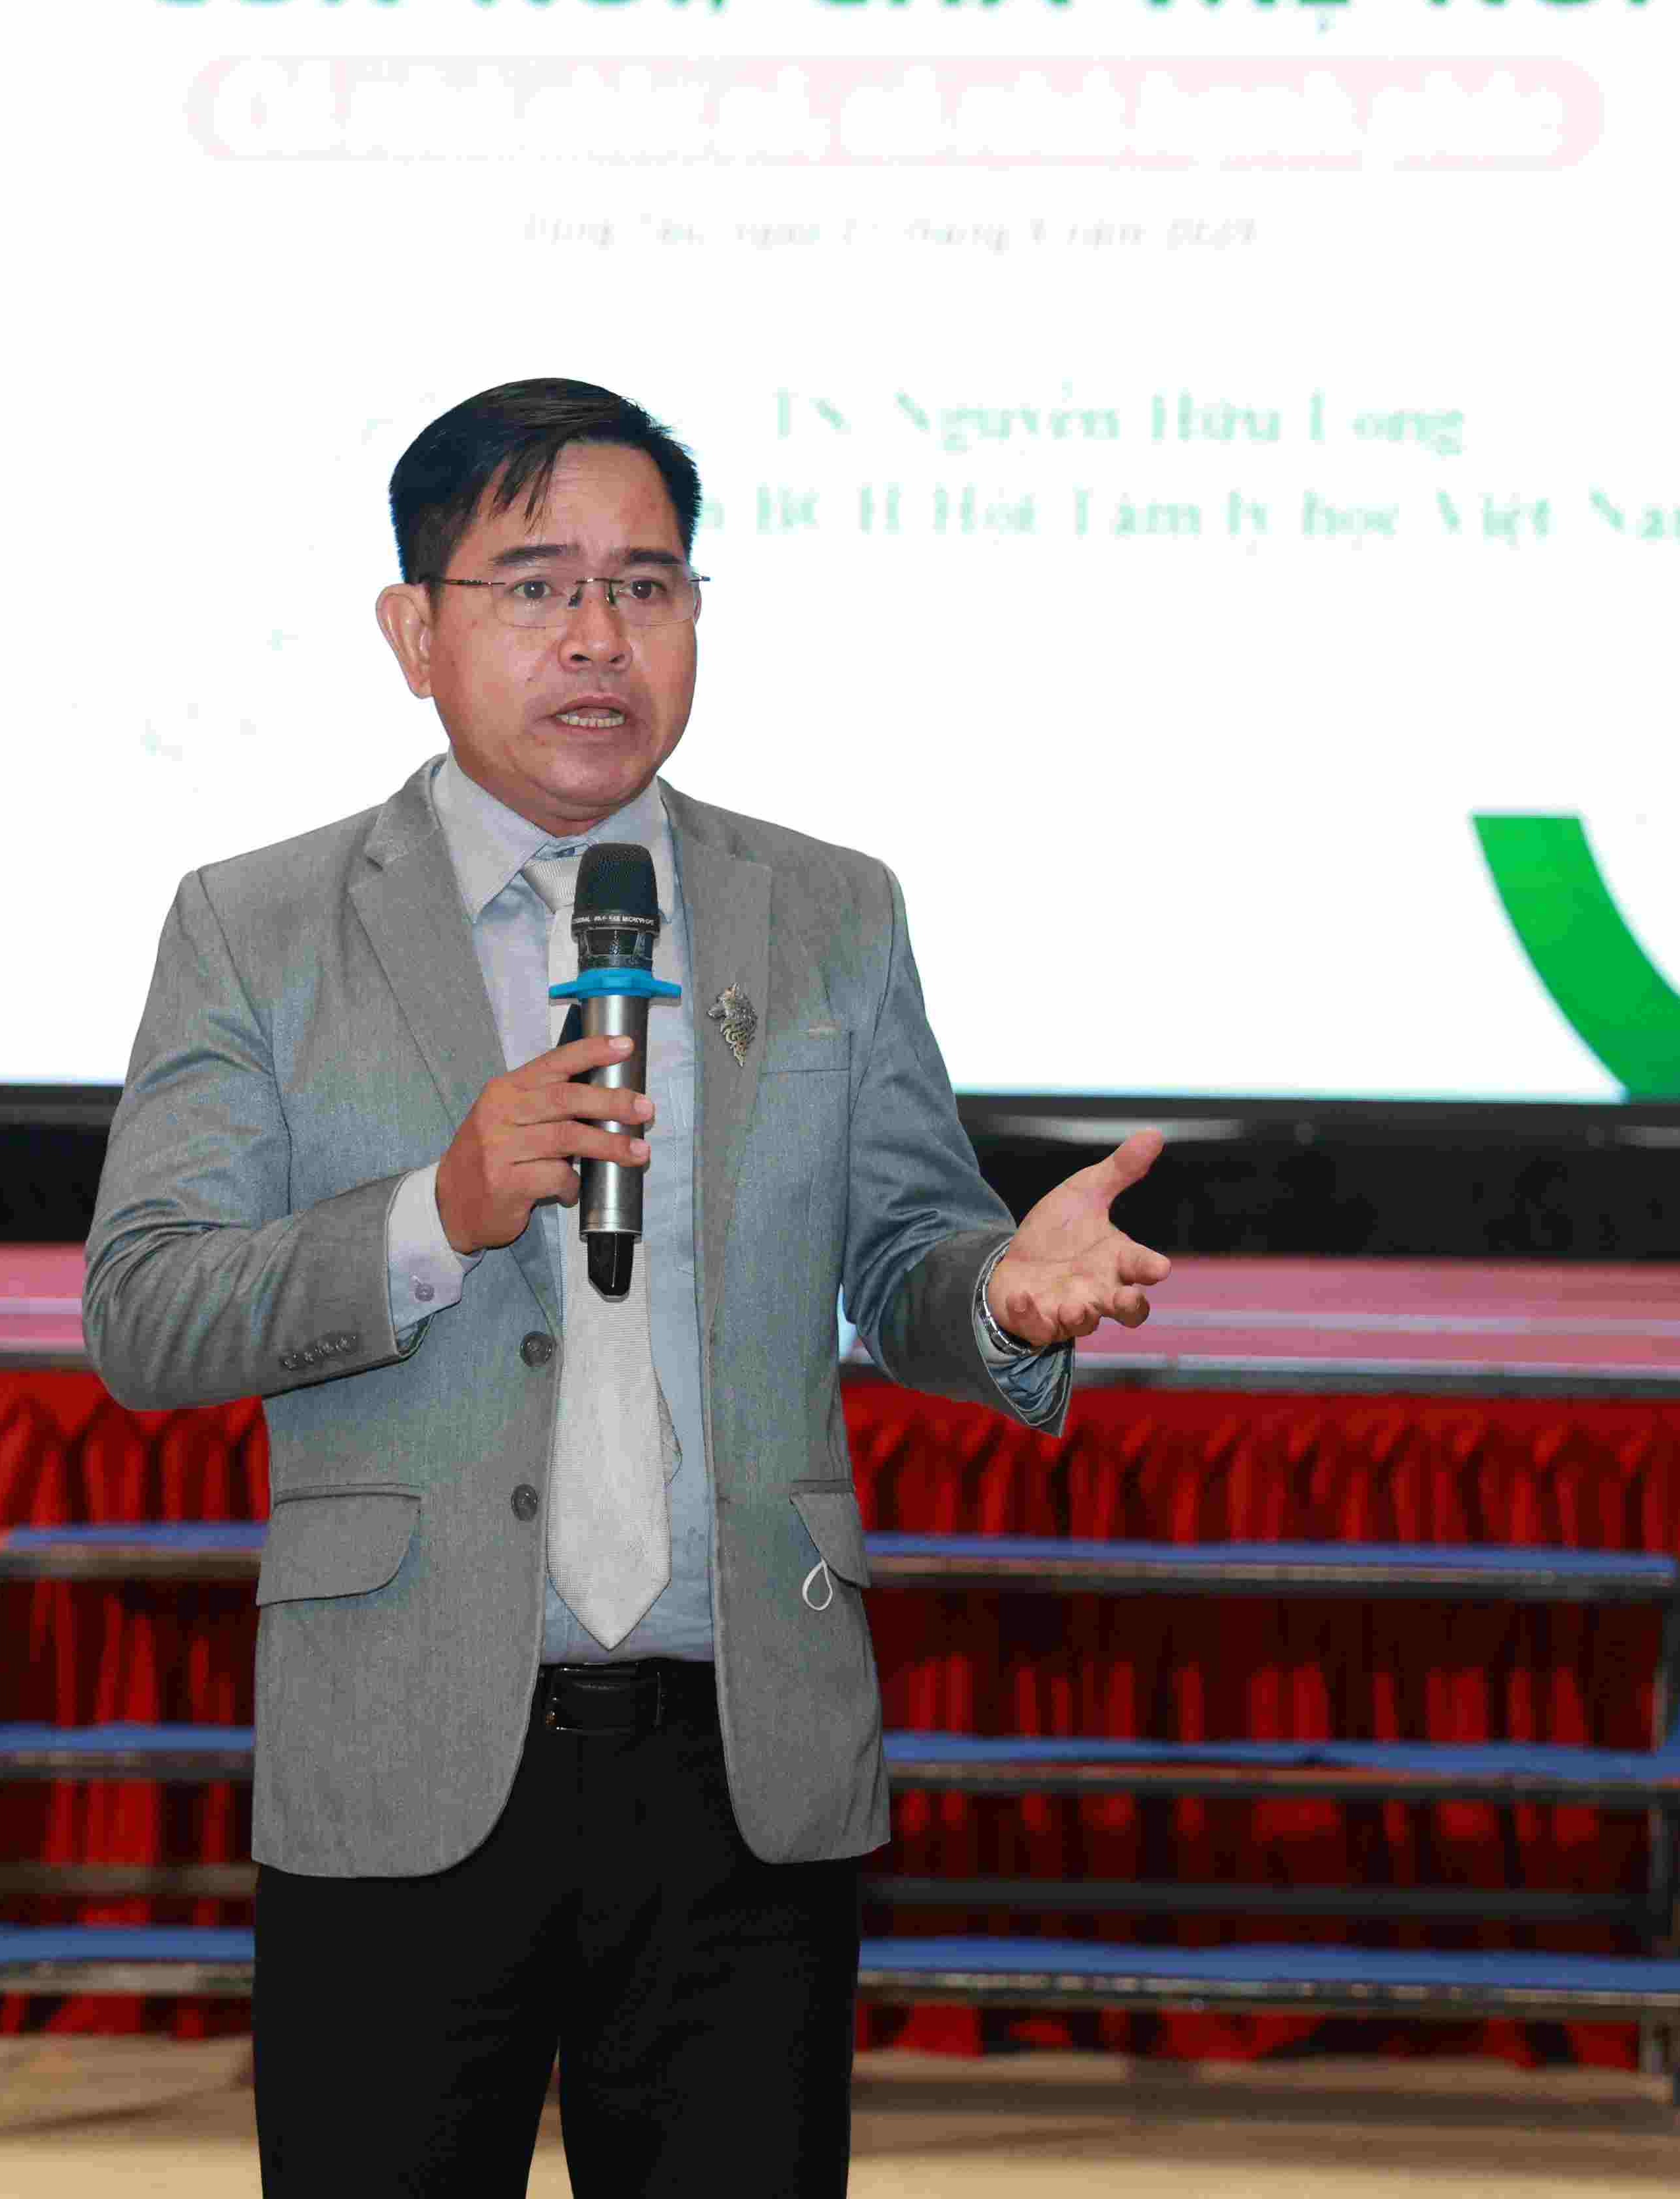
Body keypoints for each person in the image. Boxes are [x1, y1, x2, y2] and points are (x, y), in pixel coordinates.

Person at [82, 376, 1174, 2196]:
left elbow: (903, 1255)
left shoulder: (828, 912)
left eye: (647, 586)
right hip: (407, 1748)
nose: (599, 637)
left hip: (739, 1758)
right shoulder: (258, 926)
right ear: (413, 632)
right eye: (536, 586)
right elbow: (147, 1311)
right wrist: (432, 1211)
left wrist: (998, 1294)